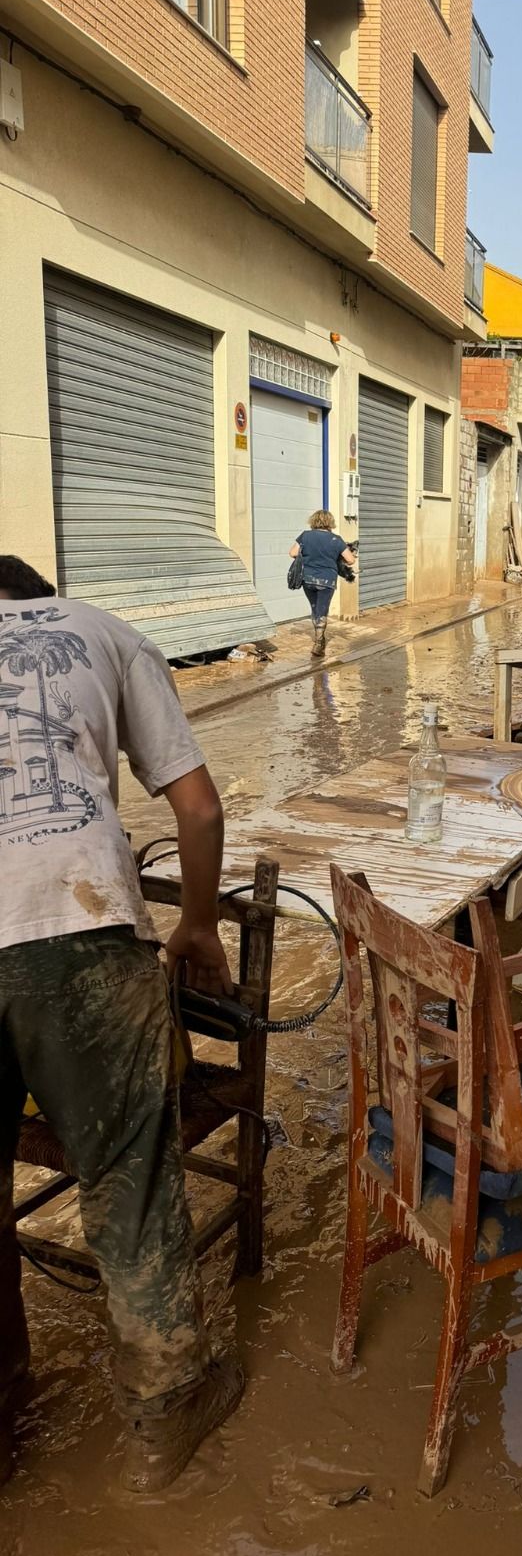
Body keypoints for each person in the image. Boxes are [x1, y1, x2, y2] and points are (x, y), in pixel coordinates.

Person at [0, 554, 241, 1494]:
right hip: (81, 928)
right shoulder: (102, 632)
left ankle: (9, 1409)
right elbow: (200, 806)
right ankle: (164, 1417)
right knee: (127, 1174)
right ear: (38, 601)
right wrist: (196, 925)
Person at [289, 510, 354, 660]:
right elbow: (350, 560)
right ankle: (319, 642)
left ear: (313, 521)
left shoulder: (305, 536)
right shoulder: (336, 539)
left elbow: (292, 553)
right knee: (322, 609)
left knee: (314, 607)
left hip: (308, 579)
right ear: (330, 522)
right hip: (327, 581)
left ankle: (319, 638)